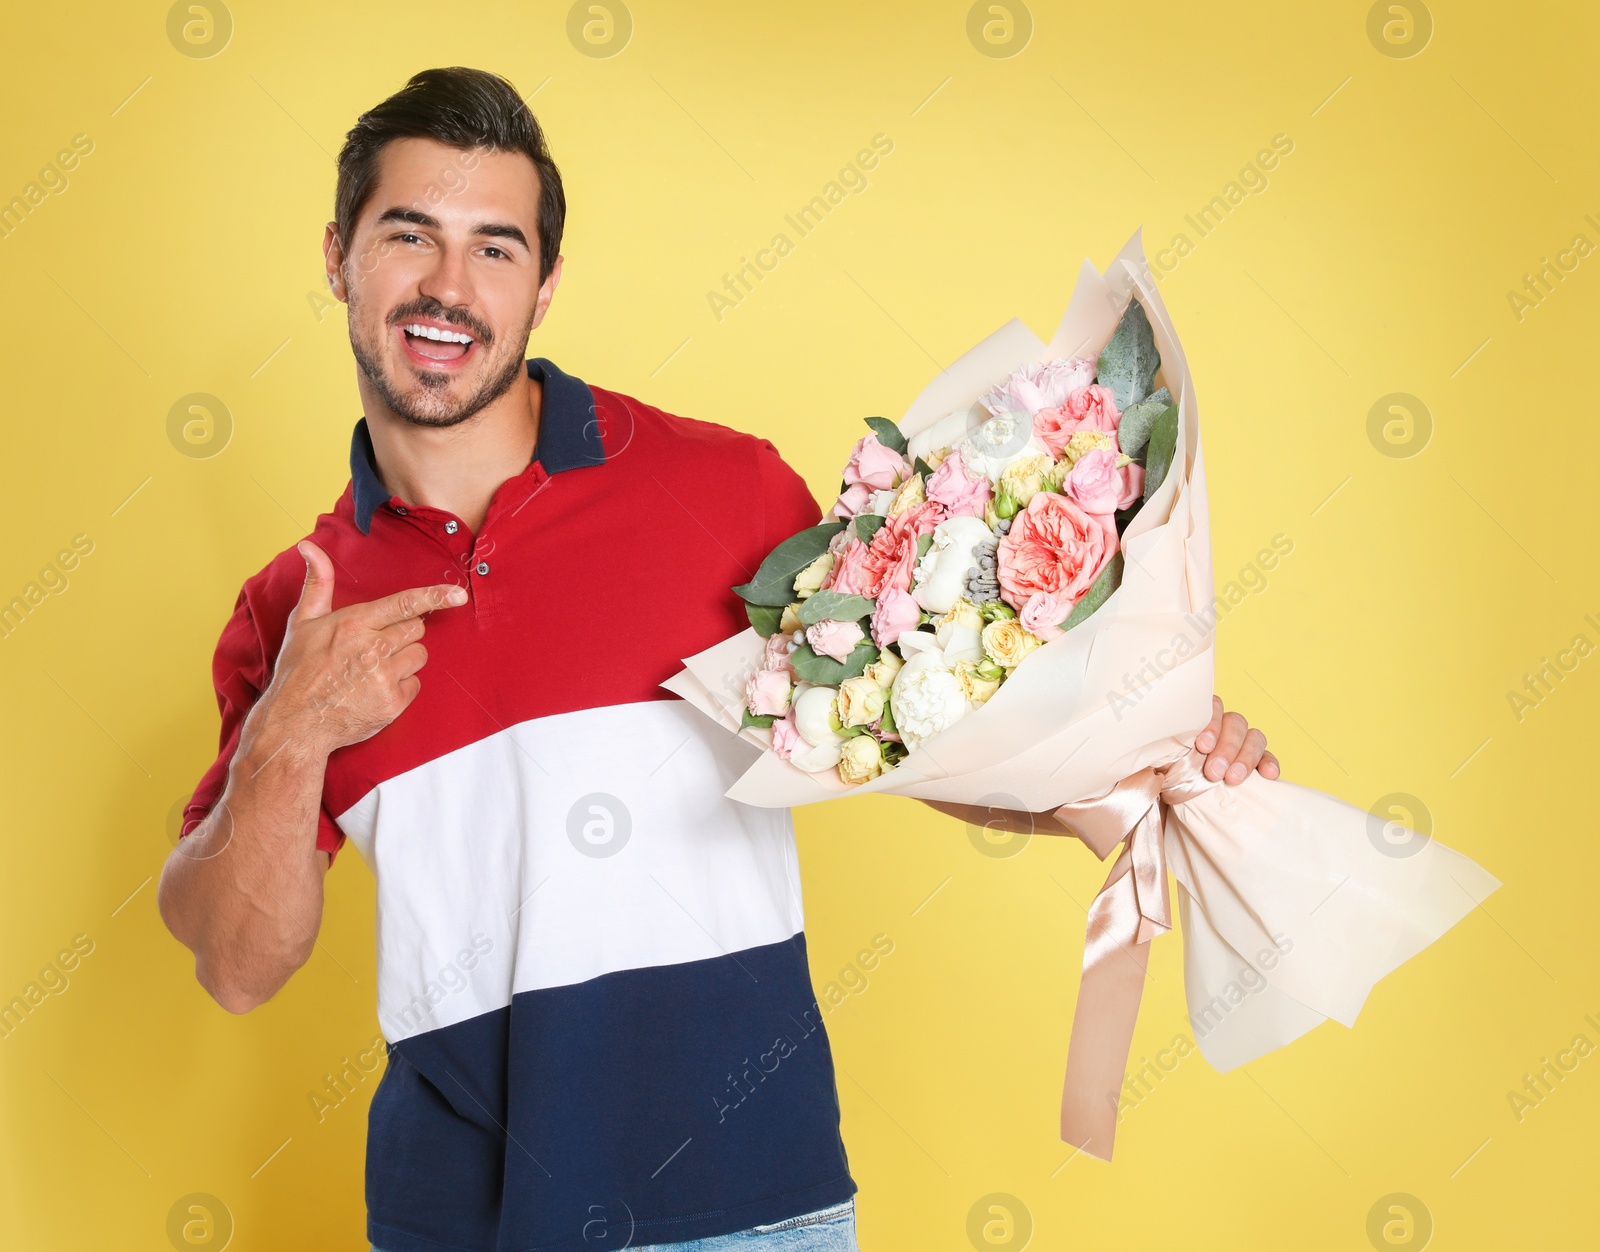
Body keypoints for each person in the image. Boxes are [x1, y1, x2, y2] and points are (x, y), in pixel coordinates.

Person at [156, 66, 1278, 1252]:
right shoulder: (297, 607)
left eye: (495, 247)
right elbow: (236, 963)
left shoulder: (718, 489)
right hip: (459, 1224)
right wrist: (288, 733)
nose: (448, 286)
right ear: (337, 257)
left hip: (749, 1209)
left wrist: (1148, 759)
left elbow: (910, 734)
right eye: (408, 236)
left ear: (543, 287)